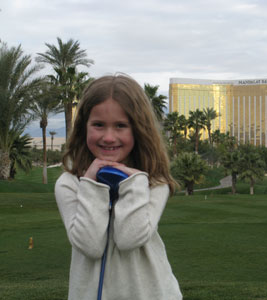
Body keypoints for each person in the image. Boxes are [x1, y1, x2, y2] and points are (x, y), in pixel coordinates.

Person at [55, 74, 182, 300]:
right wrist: (92, 185)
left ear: (138, 129)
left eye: (121, 126)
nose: (109, 137)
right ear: (84, 127)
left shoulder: (153, 182)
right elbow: (90, 245)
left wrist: (134, 184)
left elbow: (128, 239)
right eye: (98, 125)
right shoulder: (69, 184)